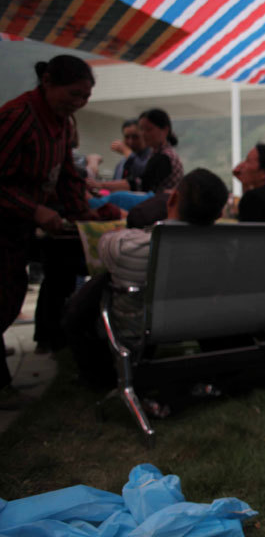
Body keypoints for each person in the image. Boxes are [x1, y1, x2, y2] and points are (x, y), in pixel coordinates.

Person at [64, 169, 229, 387]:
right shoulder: (226, 250)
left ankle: (96, 376)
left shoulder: (130, 247)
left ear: (173, 198)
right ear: (217, 216)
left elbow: (103, 245)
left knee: (102, 282)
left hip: (138, 330)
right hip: (198, 324)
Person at [0, 55, 98, 405]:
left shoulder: (62, 123)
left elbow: (68, 177)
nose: (78, 103)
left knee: (10, 295)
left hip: (18, 228)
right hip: (8, 221)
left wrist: (87, 216)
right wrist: (35, 209)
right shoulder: (17, 117)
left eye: (85, 97)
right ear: (47, 82)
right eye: (73, 94)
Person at [90, 108, 183, 194]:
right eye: (141, 129)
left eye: (148, 129)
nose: (144, 134)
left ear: (165, 130)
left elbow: (141, 183)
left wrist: (100, 184)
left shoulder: (165, 156)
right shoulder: (156, 154)